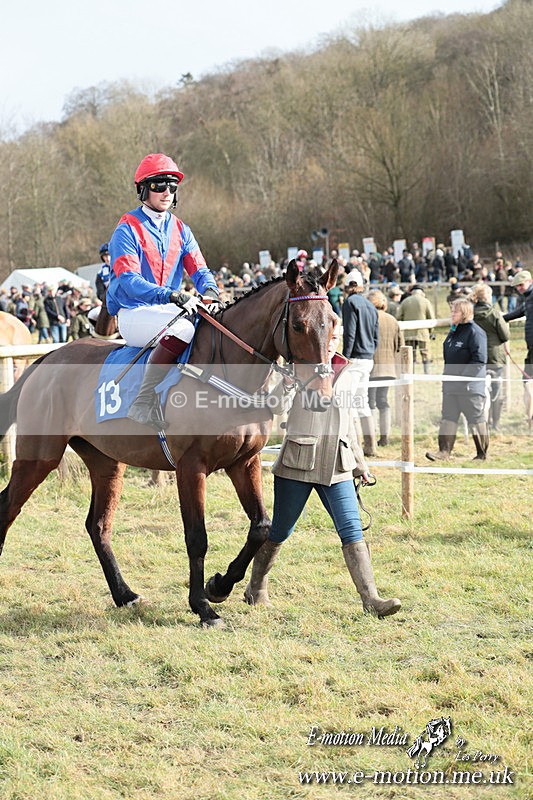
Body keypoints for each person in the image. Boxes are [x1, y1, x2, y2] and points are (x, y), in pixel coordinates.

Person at [244, 322, 401, 618]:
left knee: (351, 529)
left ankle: (371, 599)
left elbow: (350, 420)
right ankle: (256, 588)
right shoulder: (297, 367)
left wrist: (360, 465)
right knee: (280, 531)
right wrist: (289, 382)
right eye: (325, 337)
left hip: (338, 464)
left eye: (335, 337)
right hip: (298, 462)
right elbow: (276, 408)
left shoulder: (351, 369)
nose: (329, 343)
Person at [107, 153, 220, 429]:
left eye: (172, 186)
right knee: (183, 330)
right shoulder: (126, 230)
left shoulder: (181, 229)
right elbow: (129, 282)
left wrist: (212, 291)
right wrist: (171, 295)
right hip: (134, 313)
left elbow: (200, 270)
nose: (167, 192)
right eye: (159, 185)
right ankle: (143, 401)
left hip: (166, 310)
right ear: (143, 189)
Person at [426, 298, 488, 462]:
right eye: (452, 310)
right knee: (448, 418)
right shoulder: (454, 331)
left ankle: (481, 455)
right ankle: (443, 452)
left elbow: (479, 360)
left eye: (455, 311)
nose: (452, 314)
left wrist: (461, 378)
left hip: (469, 388)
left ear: (465, 313)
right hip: (450, 387)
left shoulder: (476, 332)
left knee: (475, 420)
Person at [341, 270, 379, 456]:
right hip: (368, 358)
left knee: (349, 402)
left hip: (355, 358)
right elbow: (375, 335)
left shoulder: (349, 303)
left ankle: (355, 447)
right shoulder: (370, 305)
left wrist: (345, 358)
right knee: (361, 401)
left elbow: (350, 333)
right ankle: (371, 445)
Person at [471, 283, 510, 431]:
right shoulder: (494, 313)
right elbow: (505, 335)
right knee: (496, 390)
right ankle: (496, 424)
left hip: (477, 357)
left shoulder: (470, 313)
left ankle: (481, 422)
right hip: (494, 357)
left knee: (478, 390)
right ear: (488, 296)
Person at [367, 290, 404, 446]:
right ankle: (385, 437)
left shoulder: (368, 319)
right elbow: (399, 345)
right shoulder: (392, 320)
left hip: (372, 366)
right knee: (383, 401)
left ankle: (372, 438)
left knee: (371, 402)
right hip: (389, 367)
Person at [397, 285, 435, 373]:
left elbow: (398, 317)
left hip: (408, 333)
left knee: (411, 354)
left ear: (411, 292)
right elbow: (431, 318)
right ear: (422, 292)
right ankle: (427, 373)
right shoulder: (426, 301)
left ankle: (411, 373)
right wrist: (430, 331)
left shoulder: (405, 302)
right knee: (425, 353)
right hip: (423, 332)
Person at [503, 269, 533, 379]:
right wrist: (498, 319)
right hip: (531, 344)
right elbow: (516, 313)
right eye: (517, 286)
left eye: (521, 284)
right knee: (528, 377)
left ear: (530, 281)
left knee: (528, 378)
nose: (519, 288)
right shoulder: (528, 299)